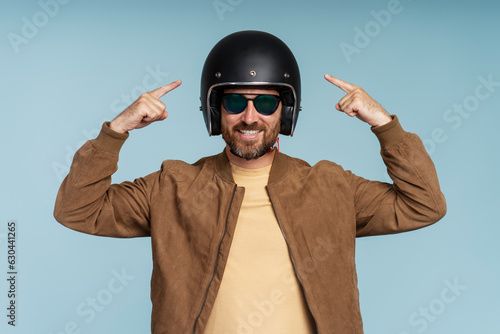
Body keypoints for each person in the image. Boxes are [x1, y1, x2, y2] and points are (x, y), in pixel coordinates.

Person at [54, 31, 446, 333]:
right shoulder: (172, 186)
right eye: (236, 102)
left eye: (266, 103)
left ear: (285, 112)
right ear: (216, 110)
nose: (250, 117)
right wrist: (116, 131)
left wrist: (384, 125)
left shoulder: (332, 186)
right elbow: (76, 210)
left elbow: (424, 204)